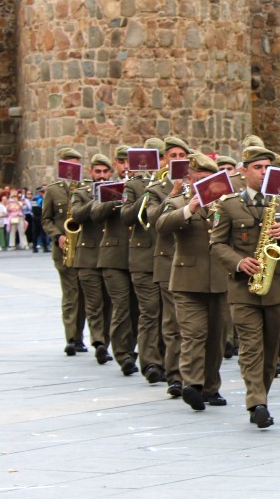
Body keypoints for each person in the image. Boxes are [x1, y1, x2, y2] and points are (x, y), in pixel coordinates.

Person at [210, 146, 280, 429]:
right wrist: (239, 263)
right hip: (243, 288)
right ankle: (257, 402)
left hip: (278, 287)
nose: (264, 172)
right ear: (244, 171)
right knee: (252, 347)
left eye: (267, 167)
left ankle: (261, 393)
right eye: (257, 167)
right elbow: (216, 244)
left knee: (270, 350)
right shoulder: (227, 204)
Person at [157, 153, 229, 410]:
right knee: (193, 333)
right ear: (189, 179)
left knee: (217, 337)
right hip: (187, 280)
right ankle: (193, 385)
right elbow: (161, 225)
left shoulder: (226, 202)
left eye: (208, 179)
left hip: (220, 279)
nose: (203, 184)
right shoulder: (177, 201)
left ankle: (211, 388)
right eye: (198, 179)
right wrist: (190, 209)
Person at [144, 136, 193, 398]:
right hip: (167, 260)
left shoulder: (199, 184)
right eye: (172, 156)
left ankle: (194, 375)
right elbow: (153, 219)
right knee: (173, 322)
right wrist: (172, 195)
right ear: (164, 160)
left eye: (181, 156)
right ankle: (174, 376)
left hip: (194, 261)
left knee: (194, 325)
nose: (176, 160)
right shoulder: (155, 189)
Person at [120, 137, 168, 385]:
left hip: (169, 257)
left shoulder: (174, 184)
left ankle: (167, 360)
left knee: (168, 314)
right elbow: (127, 216)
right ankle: (150, 362)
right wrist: (146, 196)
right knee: (149, 312)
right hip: (143, 257)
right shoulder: (134, 185)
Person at [93, 146, 138, 377]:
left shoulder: (142, 184)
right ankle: (123, 355)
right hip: (113, 257)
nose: (125, 167)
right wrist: (117, 198)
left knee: (137, 308)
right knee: (121, 306)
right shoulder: (106, 187)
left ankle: (131, 349)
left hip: (138, 256)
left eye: (129, 162)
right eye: (121, 162)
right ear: (116, 165)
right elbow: (95, 213)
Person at [42, 148, 87, 356]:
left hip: (83, 249)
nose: (73, 169)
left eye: (76, 164)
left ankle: (79, 336)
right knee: (70, 294)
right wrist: (57, 235)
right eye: (70, 164)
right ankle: (70, 338)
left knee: (84, 296)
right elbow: (46, 219)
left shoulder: (85, 187)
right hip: (63, 250)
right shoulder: (53, 190)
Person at [70, 155, 114, 365]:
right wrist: (96, 201)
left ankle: (104, 340)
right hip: (87, 257)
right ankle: (99, 342)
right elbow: (76, 215)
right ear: (91, 172)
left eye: (105, 172)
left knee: (109, 304)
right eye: (98, 172)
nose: (102, 176)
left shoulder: (117, 192)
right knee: (94, 303)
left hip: (110, 257)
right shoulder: (81, 193)